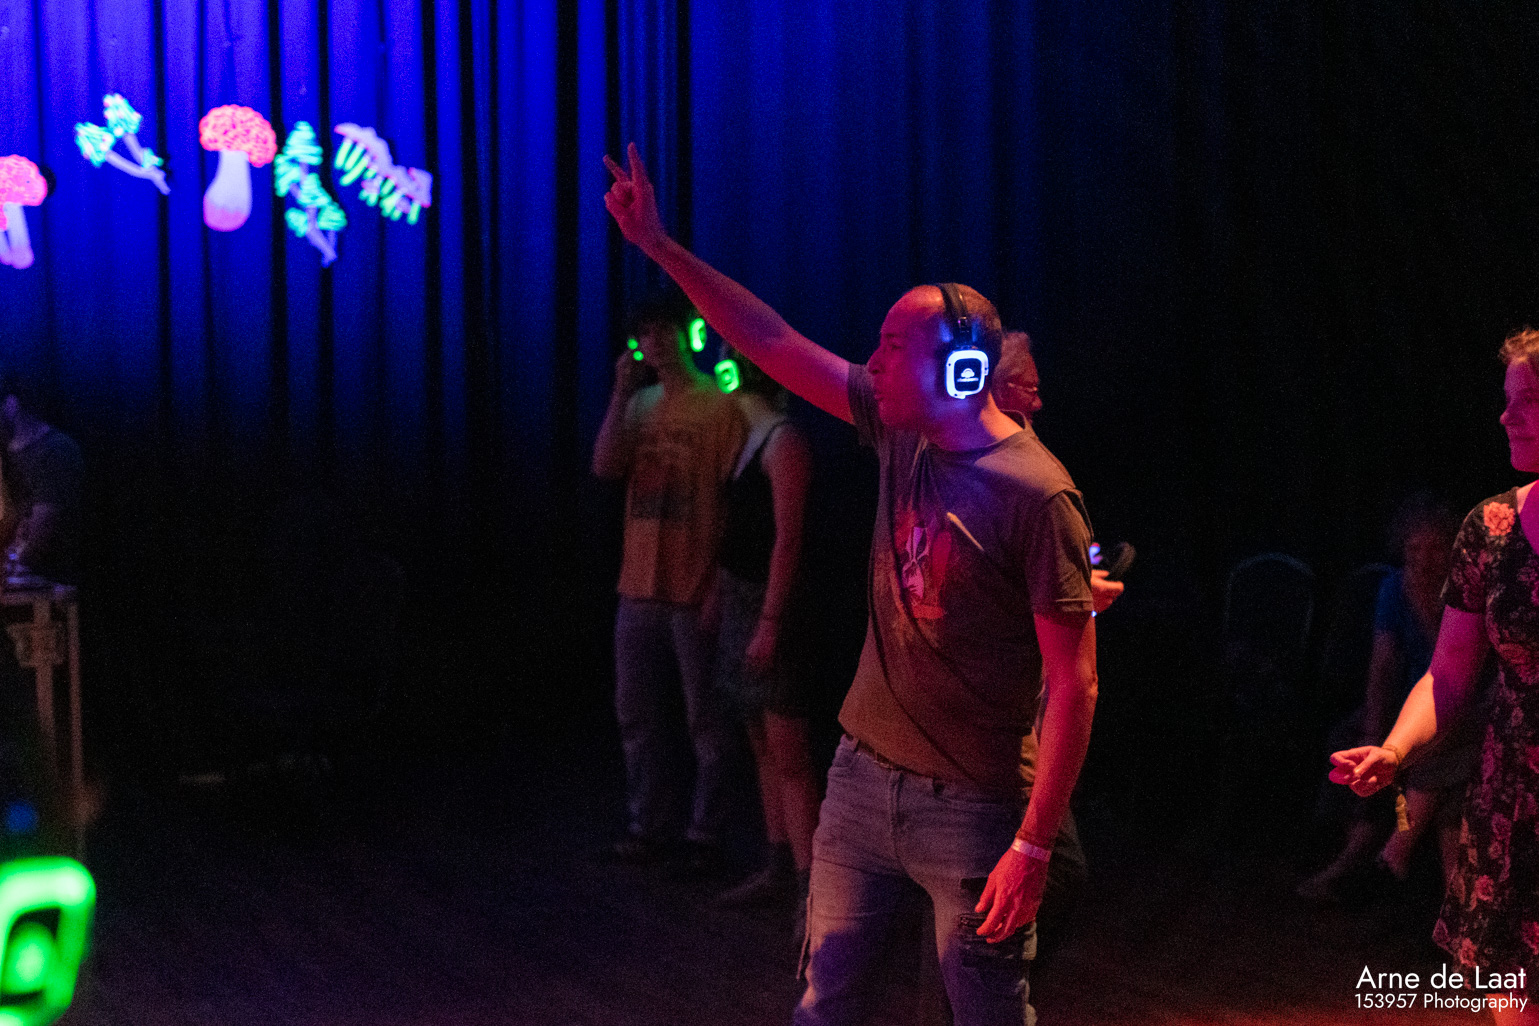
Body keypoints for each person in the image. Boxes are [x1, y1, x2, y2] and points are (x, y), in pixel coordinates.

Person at [605, 145, 1098, 1026]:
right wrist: (660, 247)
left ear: (961, 371)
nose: (869, 363)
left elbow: (1074, 684)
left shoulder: (1036, 494)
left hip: (973, 804)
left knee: (983, 1012)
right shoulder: (899, 427)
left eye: (891, 348)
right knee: (825, 1001)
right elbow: (770, 340)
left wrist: (1031, 845)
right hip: (861, 779)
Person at [1332, 328, 1539, 1025]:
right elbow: (1446, 676)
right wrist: (1394, 751)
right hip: (1514, 806)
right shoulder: (1491, 530)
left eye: (1525, 401)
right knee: (1513, 1002)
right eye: (1507, 401)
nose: (1504, 416)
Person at [592, 296, 746, 869]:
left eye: (662, 332)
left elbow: (735, 502)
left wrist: (717, 585)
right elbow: (605, 466)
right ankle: (648, 825)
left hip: (691, 584)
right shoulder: (639, 404)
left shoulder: (720, 406)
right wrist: (619, 394)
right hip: (638, 585)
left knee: (706, 716)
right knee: (636, 712)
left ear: (686, 335)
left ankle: (707, 834)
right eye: (644, 335)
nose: (652, 344)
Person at [1300, 495, 1472, 901]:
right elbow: (1383, 667)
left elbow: (1458, 671)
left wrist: (1428, 606)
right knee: (1354, 744)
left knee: (1441, 748)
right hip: (1413, 705)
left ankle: (1389, 857)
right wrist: (1374, 732)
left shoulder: (1465, 585)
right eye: (1415, 549)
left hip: (1468, 705)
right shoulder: (1394, 587)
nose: (1424, 559)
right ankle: (1367, 853)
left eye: (1435, 548)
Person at [709, 347, 820, 929]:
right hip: (741, 600)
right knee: (759, 740)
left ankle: (811, 886)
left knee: (788, 749)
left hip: (772, 607)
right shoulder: (746, 440)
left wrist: (770, 622)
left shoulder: (784, 442)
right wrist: (717, 593)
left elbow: (788, 539)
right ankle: (777, 865)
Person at [0, 366, 82, 585]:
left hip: (48, 585)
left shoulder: (57, 451)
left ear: (11, 405)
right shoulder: (4, 453)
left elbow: (41, 534)